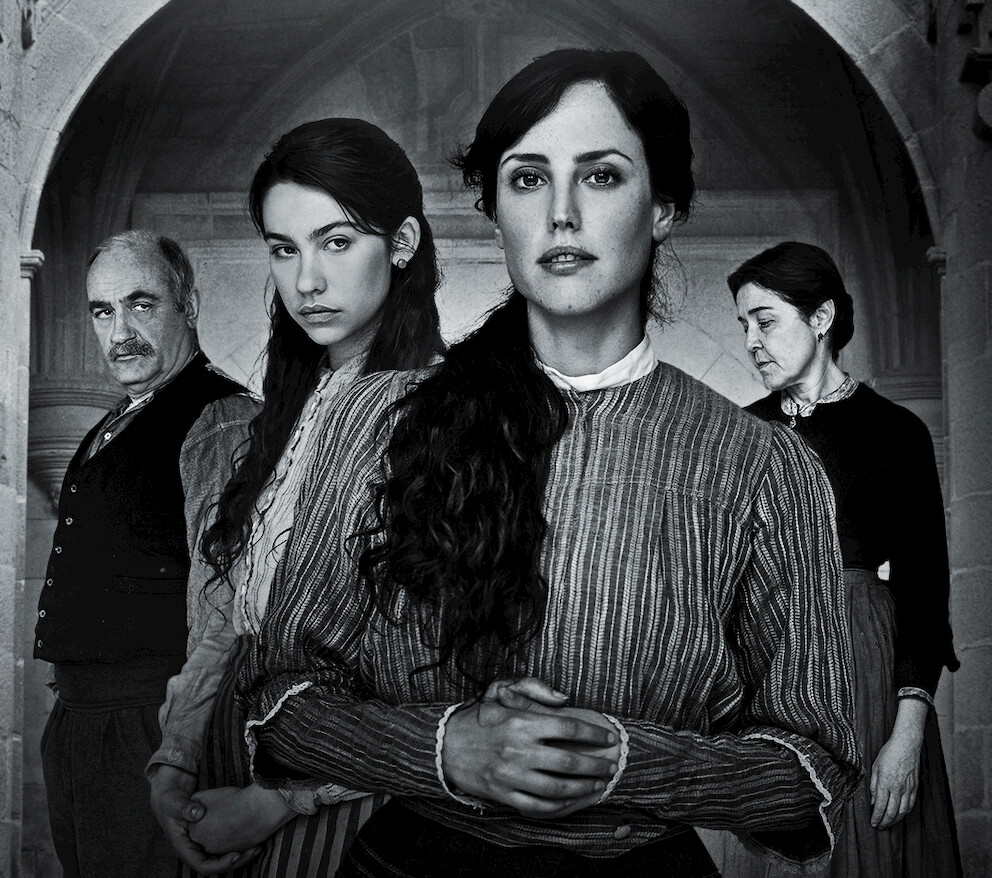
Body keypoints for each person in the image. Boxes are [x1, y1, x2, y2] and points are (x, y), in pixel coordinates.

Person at [234, 48, 861, 878]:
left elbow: (812, 766)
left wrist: (626, 763)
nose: (562, 215)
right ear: (494, 210)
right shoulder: (375, 418)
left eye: (600, 177)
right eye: (528, 180)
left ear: (662, 206)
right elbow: (279, 701)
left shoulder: (765, 466)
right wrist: (447, 747)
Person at [144, 118, 444, 877]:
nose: (307, 280)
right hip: (228, 746)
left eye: (336, 242)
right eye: (284, 249)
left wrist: (285, 797)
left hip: (354, 782)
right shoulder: (283, 412)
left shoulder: (444, 415)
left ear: (402, 243)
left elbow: (443, 666)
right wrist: (178, 756)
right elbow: (231, 613)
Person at [714, 240, 962, 878]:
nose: (752, 342)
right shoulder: (737, 435)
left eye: (765, 321)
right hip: (764, 670)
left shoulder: (895, 432)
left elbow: (925, 593)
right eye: (744, 326)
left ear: (821, 317)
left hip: (864, 665)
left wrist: (906, 735)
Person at [34, 229, 258, 877]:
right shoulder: (116, 420)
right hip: (80, 719)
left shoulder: (221, 417)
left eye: (141, 304)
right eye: (103, 311)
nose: (120, 331)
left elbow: (228, 606)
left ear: (188, 304)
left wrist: (177, 751)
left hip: (146, 725)